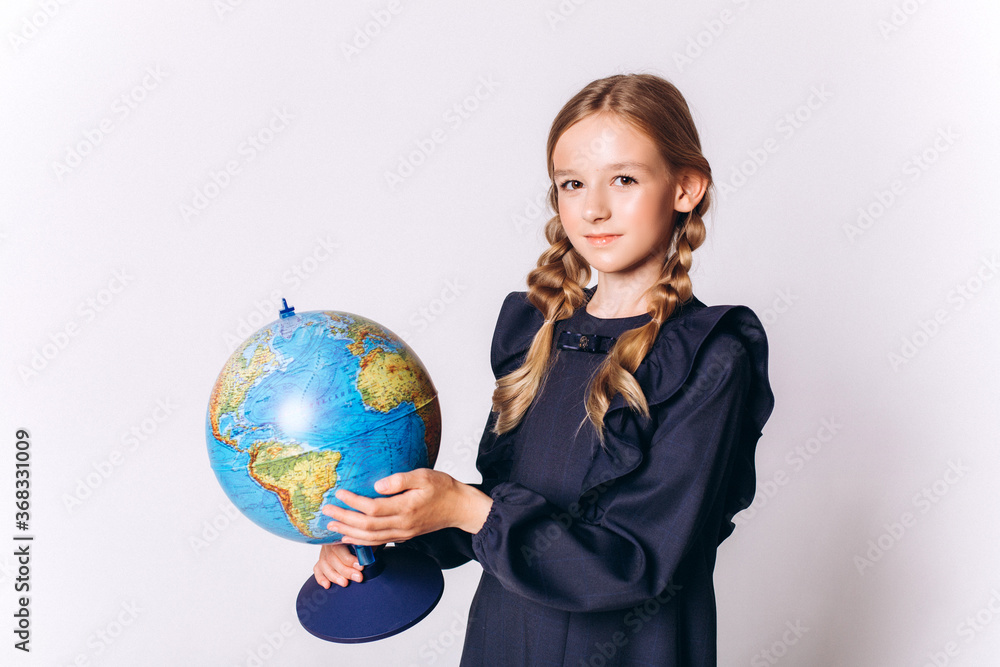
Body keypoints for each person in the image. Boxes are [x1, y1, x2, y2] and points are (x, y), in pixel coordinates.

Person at [313, 73, 774, 666]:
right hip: (508, 638)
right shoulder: (535, 336)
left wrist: (465, 507)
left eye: (625, 180)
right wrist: (391, 535)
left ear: (685, 187)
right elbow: (500, 511)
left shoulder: (712, 355)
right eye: (573, 183)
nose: (595, 207)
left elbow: (639, 561)